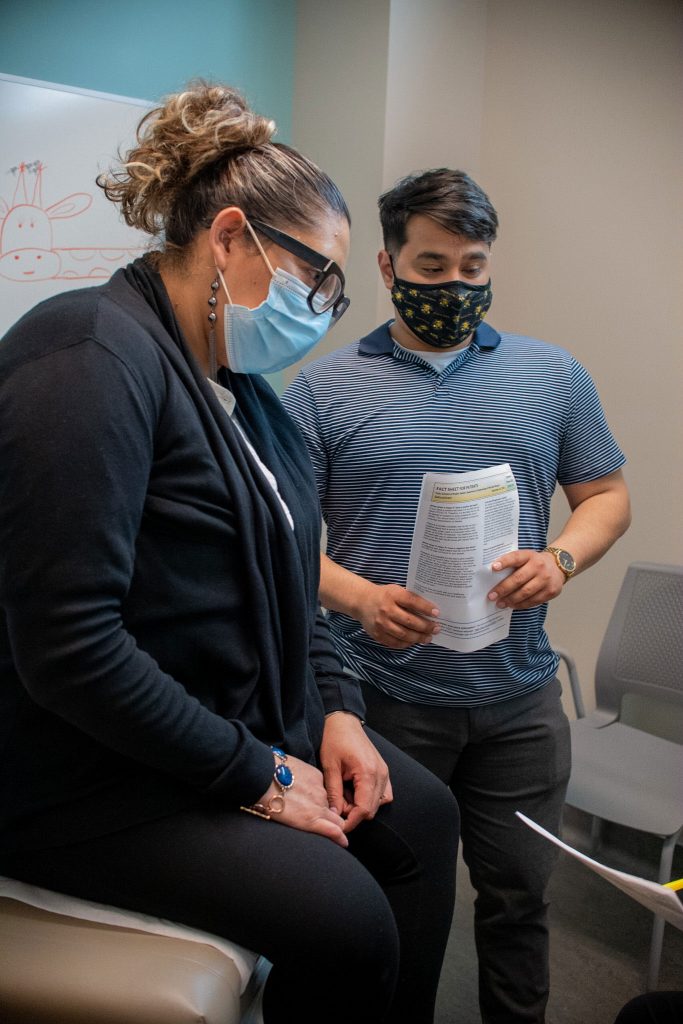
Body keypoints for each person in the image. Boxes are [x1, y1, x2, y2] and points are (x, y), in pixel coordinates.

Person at [0, 86, 460, 1024]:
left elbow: (294, 572)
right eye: (315, 281)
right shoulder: (85, 358)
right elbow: (70, 648)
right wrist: (258, 774)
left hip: (226, 719)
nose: (323, 312)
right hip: (86, 774)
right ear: (231, 238)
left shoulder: (241, 391)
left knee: (423, 815)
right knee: (346, 922)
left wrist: (334, 711)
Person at [282, 167, 632, 1023]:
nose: (454, 287)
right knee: (393, 904)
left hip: (518, 701)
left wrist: (561, 559)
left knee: (518, 905)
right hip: (383, 706)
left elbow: (607, 498)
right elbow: (278, 542)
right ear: (386, 264)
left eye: (472, 268)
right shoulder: (320, 391)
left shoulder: (553, 376)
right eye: (432, 267)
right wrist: (360, 598)